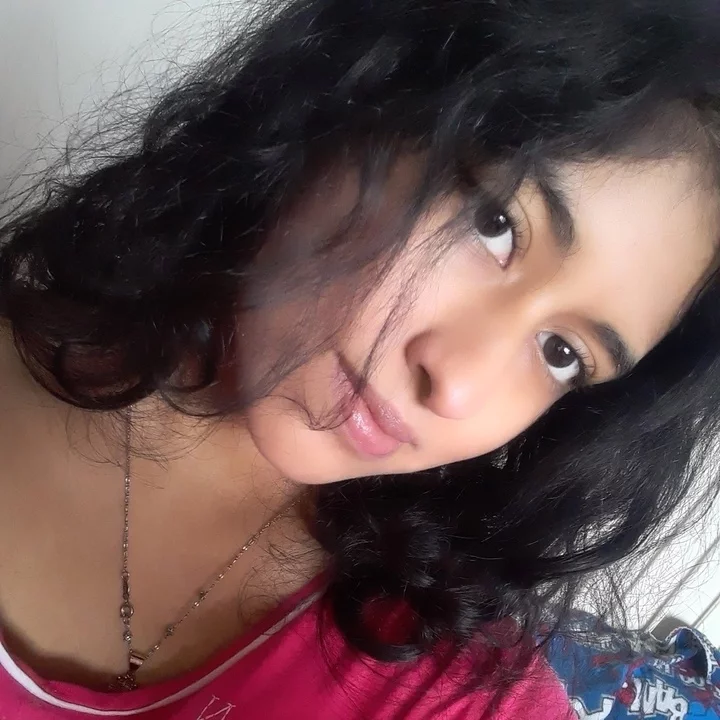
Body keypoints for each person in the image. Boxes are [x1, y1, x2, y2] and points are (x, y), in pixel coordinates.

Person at [0, 0, 720, 717]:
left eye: (562, 353)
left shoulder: (459, 691)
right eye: (495, 224)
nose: (458, 387)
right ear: (364, 99)